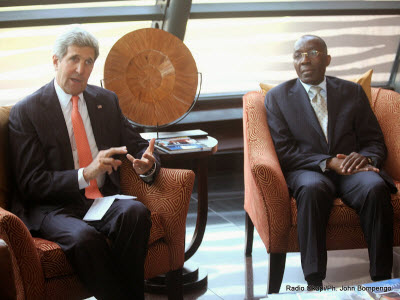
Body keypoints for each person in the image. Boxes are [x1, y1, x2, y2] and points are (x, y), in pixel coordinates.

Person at [8, 25, 161, 300]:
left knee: (136, 213)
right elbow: (32, 183)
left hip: (101, 200)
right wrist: (85, 173)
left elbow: (137, 146)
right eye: (74, 59)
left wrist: (147, 164)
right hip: (54, 207)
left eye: (88, 61)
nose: (81, 69)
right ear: (56, 61)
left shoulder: (106, 101)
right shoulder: (26, 112)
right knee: (85, 239)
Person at [265, 34, 397, 289]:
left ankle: (383, 282)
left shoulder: (352, 92)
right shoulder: (278, 97)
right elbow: (285, 151)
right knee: (313, 189)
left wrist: (366, 157)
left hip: (352, 168)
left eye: (312, 54)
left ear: (327, 59)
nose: (305, 61)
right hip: (308, 170)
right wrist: (327, 162)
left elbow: (375, 141)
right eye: (298, 55)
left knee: (375, 187)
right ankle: (314, 283)